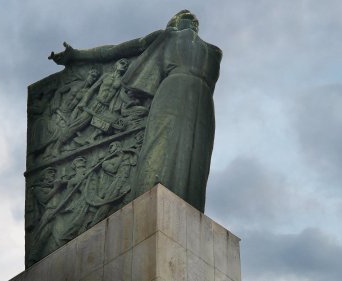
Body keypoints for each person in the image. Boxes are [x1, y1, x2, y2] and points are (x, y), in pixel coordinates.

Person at [49, 10, 222, 212]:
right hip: (203, 99)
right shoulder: (214, 52)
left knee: (161, 144)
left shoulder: (167, 35)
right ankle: (173, 205)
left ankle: (149, 196)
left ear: (174, 23)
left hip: (173, 90)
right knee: (194, 153)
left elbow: (117, 51)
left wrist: (78, 55)